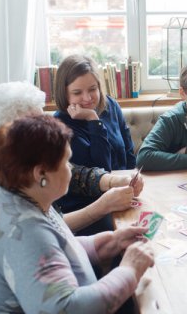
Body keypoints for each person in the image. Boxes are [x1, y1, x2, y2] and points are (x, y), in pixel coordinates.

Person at [0, 115, 154, 314]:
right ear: (41, 174)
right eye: (65, 162)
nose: (70, 170)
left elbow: (49, 251)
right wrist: (130, 270)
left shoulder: (9, 192)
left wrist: (104, 243)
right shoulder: (22, 230)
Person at [0, 81, 142, 233]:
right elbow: (46, 228)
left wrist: (113, 181)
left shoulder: (28, 150)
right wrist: (103, 206)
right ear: (14, 129)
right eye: (37, 122)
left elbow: (75, 175)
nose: (45, 125)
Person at [54, 55, 137, 234]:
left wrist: (134, 181)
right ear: (64, 93)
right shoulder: (58, 126)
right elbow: (102, 169)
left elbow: (129, 152)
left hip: (123, 192)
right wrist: (93, 119)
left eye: (93, 89)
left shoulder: (111, 106)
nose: (87, 98)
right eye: (77, 93)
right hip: (88, 208)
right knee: (130, 234)